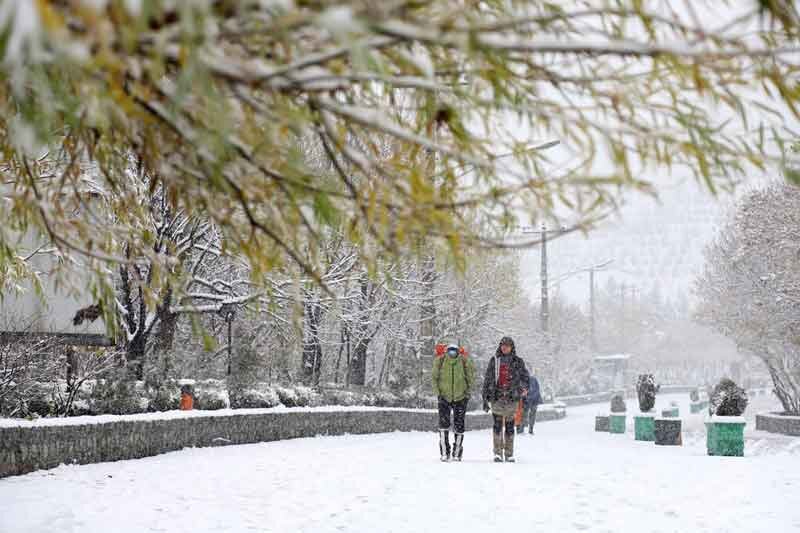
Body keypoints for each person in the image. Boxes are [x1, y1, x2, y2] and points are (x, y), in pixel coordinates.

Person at [482, 336, 529, 462]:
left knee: (509, 426)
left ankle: (509, 453)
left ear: (511, 347)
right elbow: (488, 379)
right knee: (497, 426)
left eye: (507, 345)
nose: (505, 347)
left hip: (512, 398)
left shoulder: (518, 362)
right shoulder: (495, 361)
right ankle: (497, 453)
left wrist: (523, 388)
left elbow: (525, 377)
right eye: (503, 345)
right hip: (496, 397)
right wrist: (485, 397)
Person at [432, 343, 476, 462]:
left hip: (460, 398)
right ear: (446, 351)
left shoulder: (464, 362)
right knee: (443, 426)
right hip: (444, 397)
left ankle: (457, 452)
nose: (452, 353)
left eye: (454, 351)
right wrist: (438, 393)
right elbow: (434, 377)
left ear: (458, 352)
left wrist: (467, 393)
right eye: (450, 351)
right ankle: (444, 452)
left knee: (459, 426)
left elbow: (470, 377)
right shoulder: (440, 361)